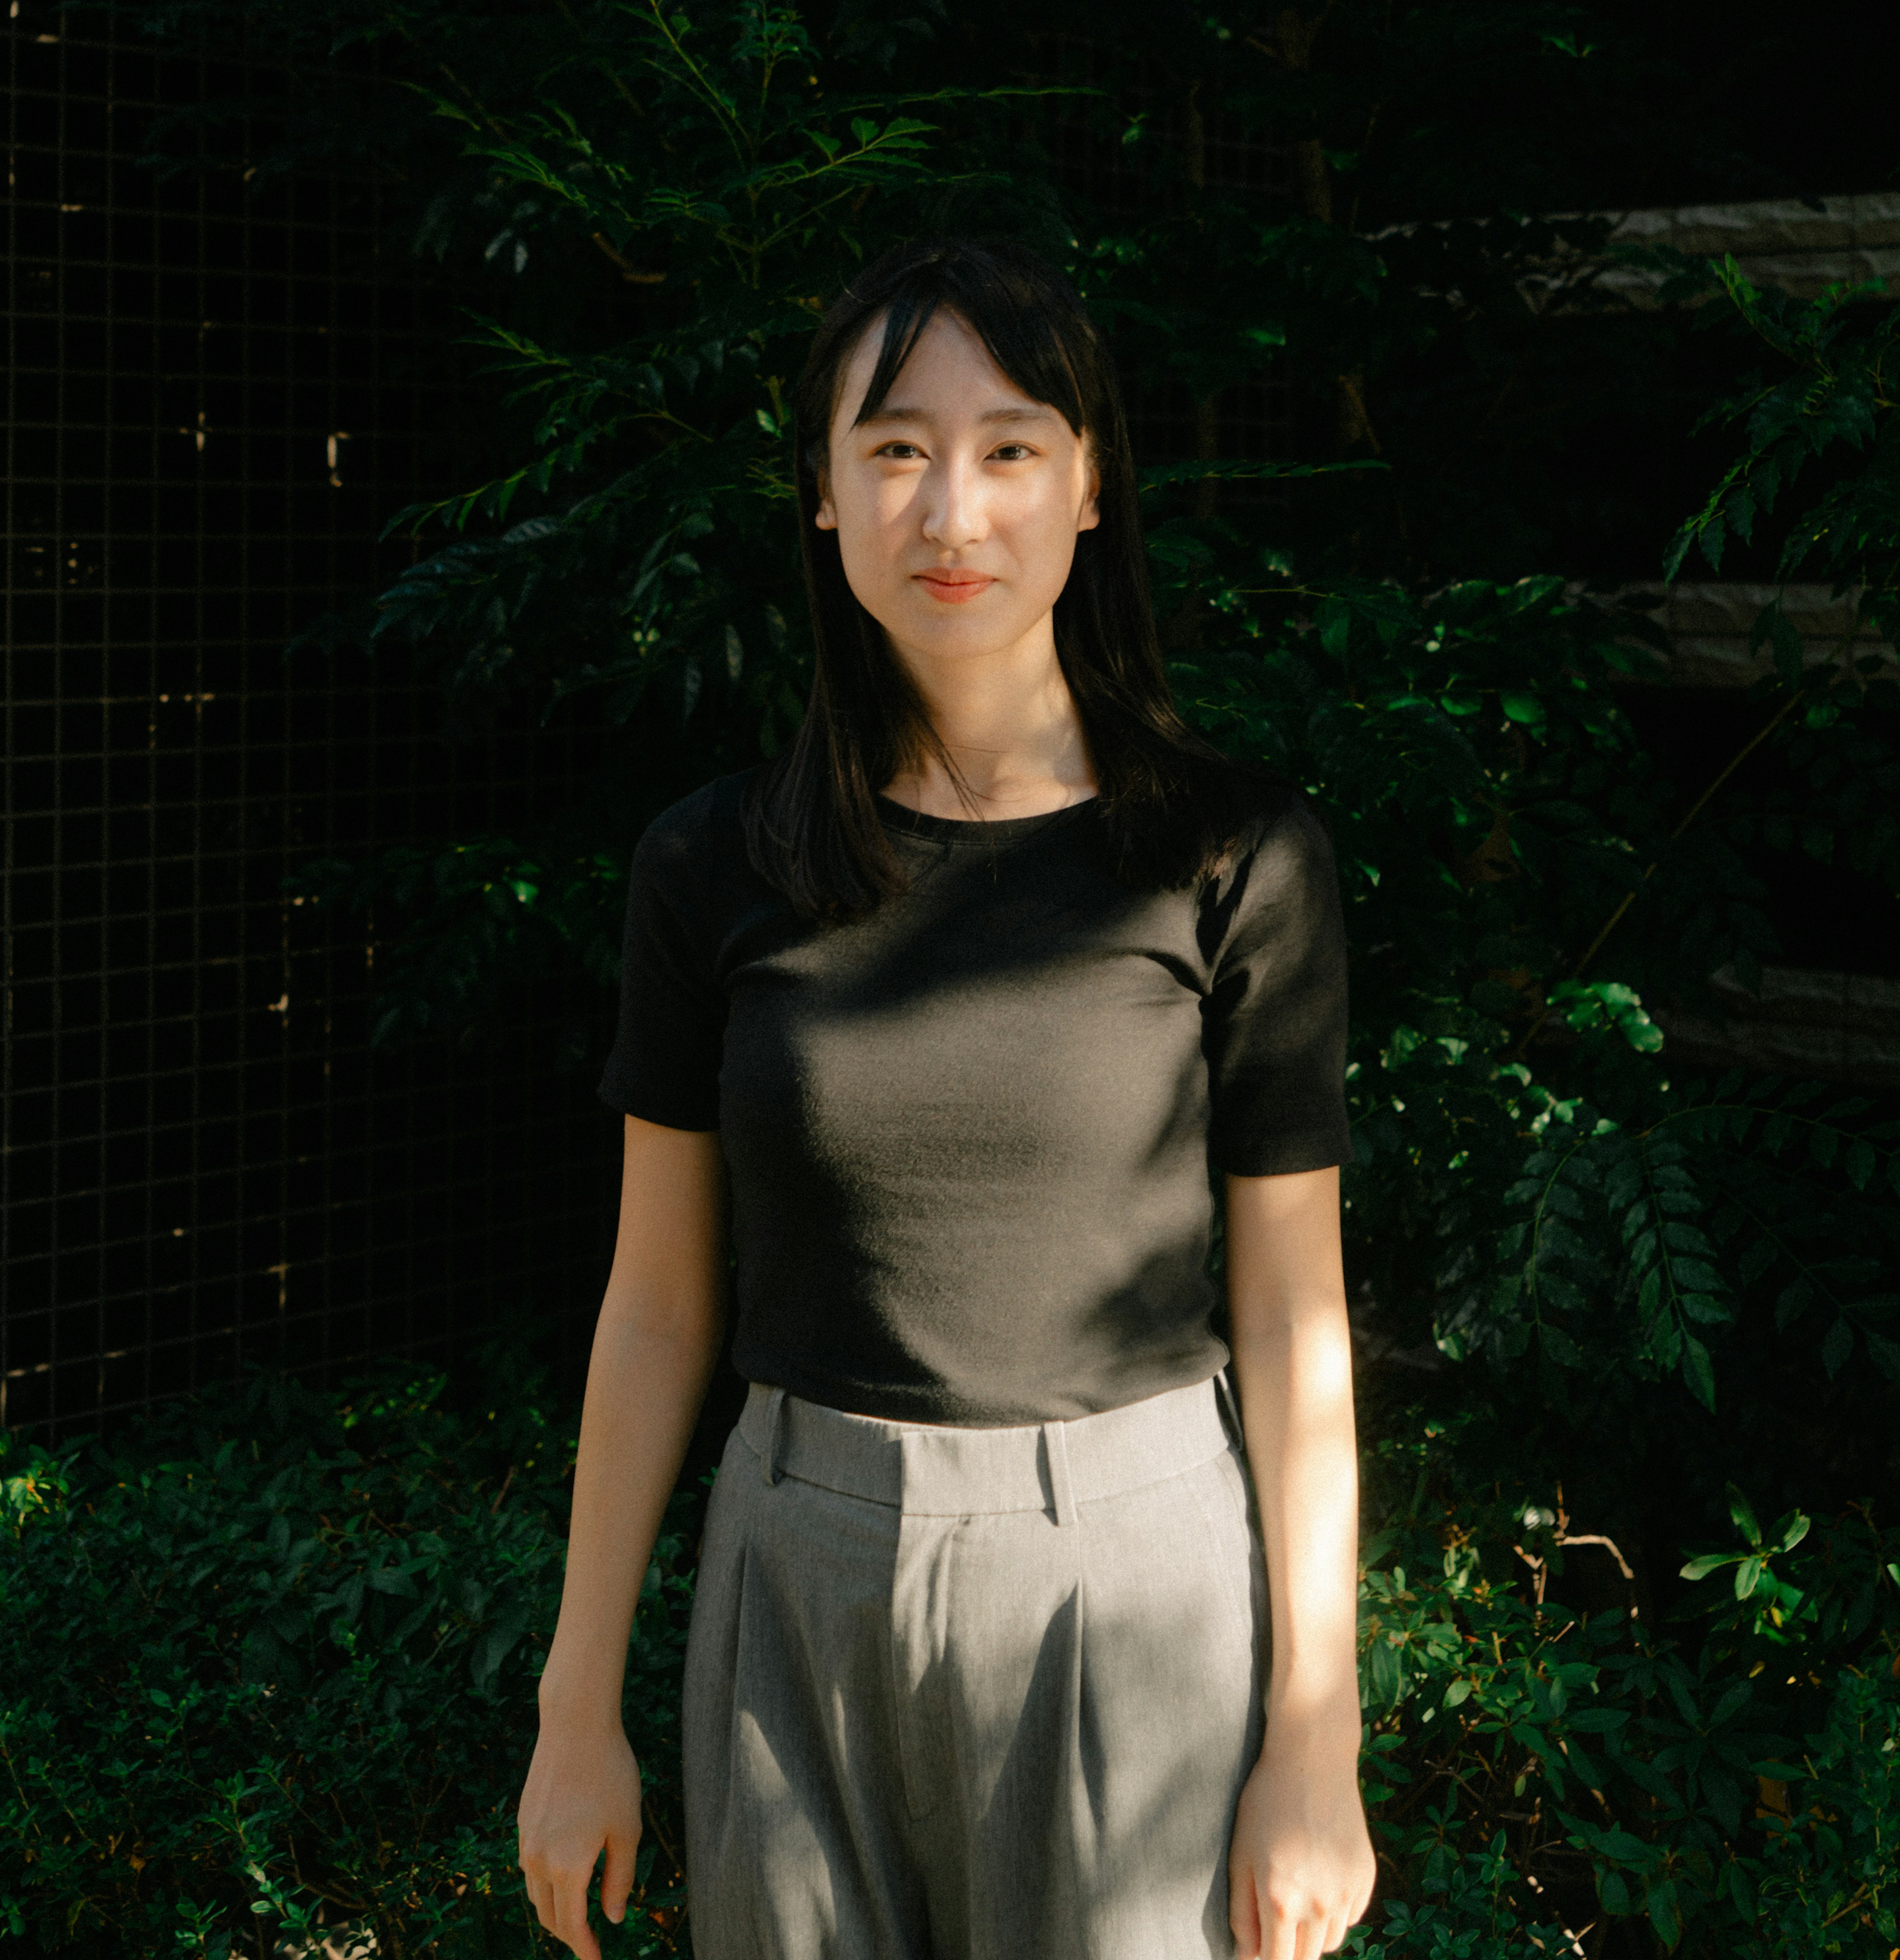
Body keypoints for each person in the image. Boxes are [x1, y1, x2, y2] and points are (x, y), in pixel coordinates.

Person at [518, 235, 1375, 1960]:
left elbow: (1295, 1319)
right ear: (826, 499)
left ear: (1087, 483)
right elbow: (658, 1305)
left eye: (1008, 449)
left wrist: (1316, 1734)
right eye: (894, 449)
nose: (952, 511)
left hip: (1136, 1586)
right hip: (792, 1581)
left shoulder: (1228, 857)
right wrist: (573, 1706)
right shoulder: (710, 865)